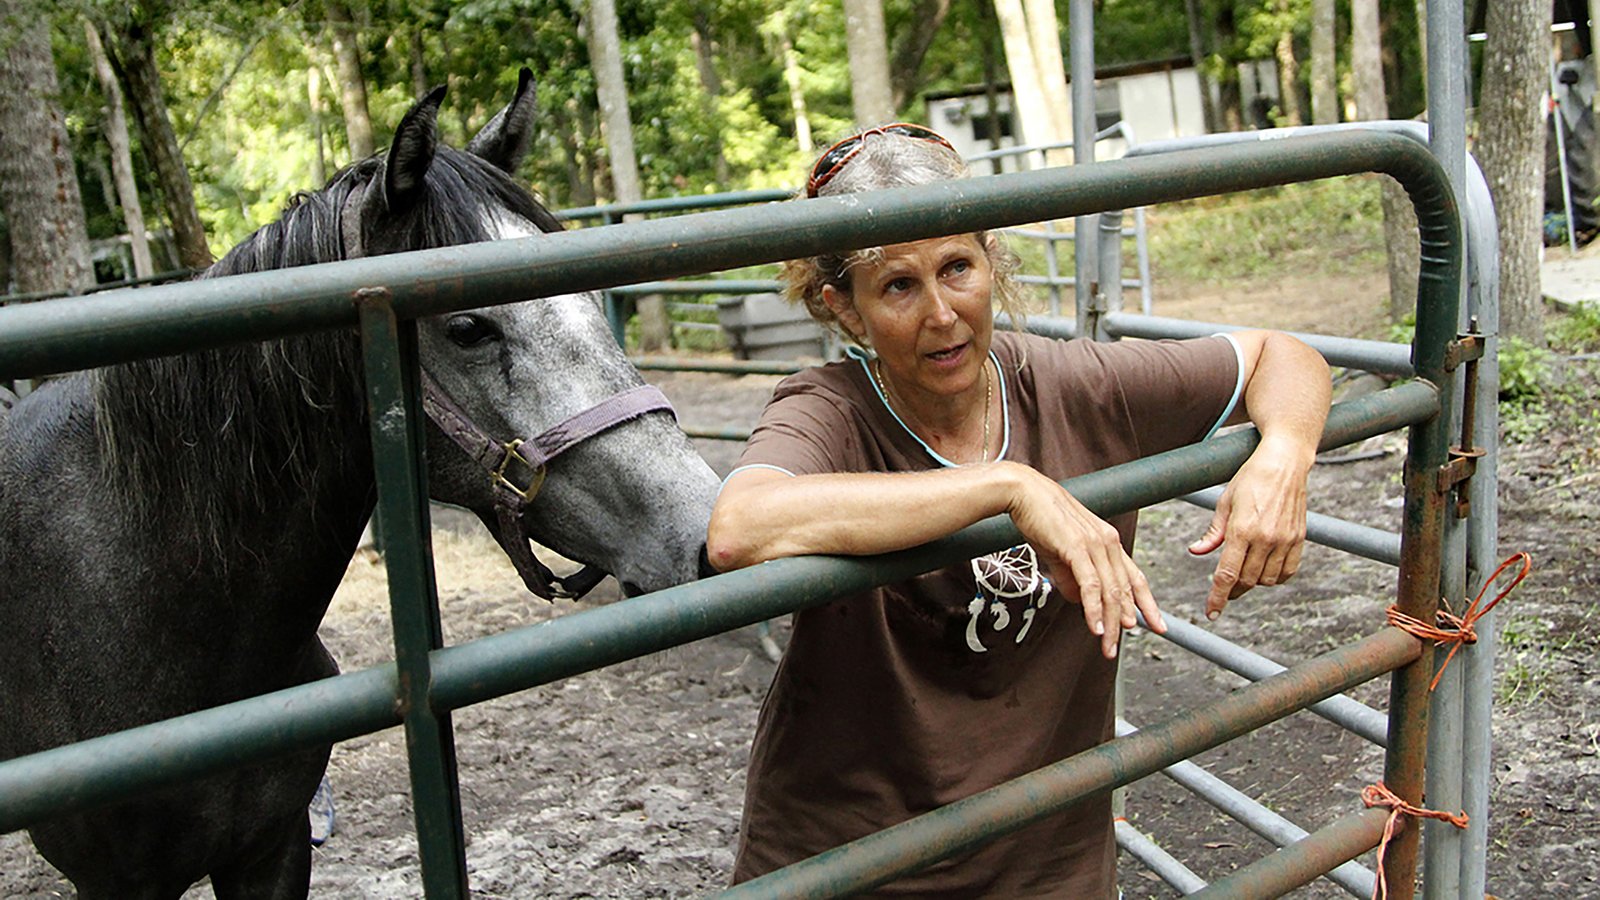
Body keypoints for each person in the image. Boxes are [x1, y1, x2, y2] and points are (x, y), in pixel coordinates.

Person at [705, 123, 1332, 898]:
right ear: (846, 310)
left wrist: (1285, 454)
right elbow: (740, 527)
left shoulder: (1071, 383)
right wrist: (1011, 488)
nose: (941, 313)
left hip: (1044, 859)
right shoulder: (827, 409)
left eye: (957, 267)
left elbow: (1280, 356)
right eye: (899, 285)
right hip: (853, 858)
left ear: (991, 261)